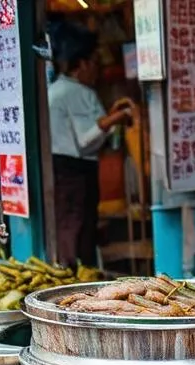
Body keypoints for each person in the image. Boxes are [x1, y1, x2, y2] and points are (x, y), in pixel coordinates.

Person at [48, 27, 134, 266]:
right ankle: (77, 278)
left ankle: (71, 273)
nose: (98, 69)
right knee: (79, 228)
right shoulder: (77, 92)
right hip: (75, 170)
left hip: (60, 168)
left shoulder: (55, 90)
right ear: (83, 64)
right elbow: (86, 139)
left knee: (68, 226)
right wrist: (116, 118)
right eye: (95, 63)